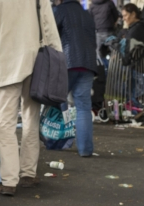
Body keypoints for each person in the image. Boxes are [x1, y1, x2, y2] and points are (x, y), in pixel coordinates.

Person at [0, 0, 62, 196]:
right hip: (35, 63)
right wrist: (58, 60)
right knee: (31, 119)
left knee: (6, 123)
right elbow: (48, 25)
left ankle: (9, 180)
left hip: (4, 64)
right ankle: (28, 174)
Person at [55, 0, 97, 158]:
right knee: (84, 108)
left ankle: (60, 142)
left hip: (67, 62)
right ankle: (85, 149)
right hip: (88, 63)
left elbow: (50, 35)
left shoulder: (59, 11)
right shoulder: (86, 14)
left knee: (58, 101)